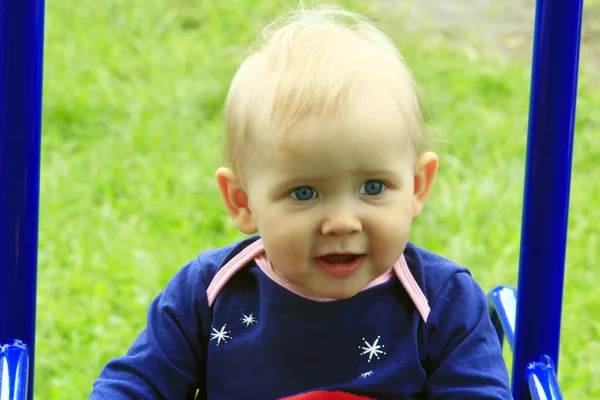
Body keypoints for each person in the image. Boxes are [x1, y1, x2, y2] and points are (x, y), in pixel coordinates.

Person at [89, 4, 511, 399]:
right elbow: (134, 384)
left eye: (374, 187)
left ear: (418, 186)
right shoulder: (207, 295)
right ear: (243, 202)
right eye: (304, 193)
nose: (343, 223)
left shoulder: (444, 303)